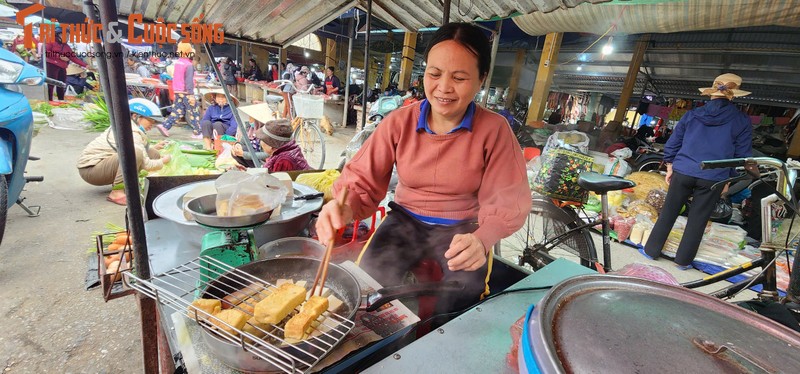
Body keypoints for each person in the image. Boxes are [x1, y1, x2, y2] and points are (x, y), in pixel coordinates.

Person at [314, 23, 531, 317]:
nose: (443, 87)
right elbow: (360, 180)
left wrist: (483, 238)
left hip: (462, 229)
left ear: (481, 79)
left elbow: (507, 197)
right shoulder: (398, 122)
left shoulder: (495, 130)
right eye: (434, 73)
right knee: (364, 288)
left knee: (464, 301)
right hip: (404, 220)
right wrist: (343, 208)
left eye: (459, 77)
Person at [642, 73, 753, 269]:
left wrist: (669, 166)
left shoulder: (692, 114)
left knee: (668, 212)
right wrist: (728, 179)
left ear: (711, 93)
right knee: (698, 220)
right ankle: (682, 262)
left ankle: (651, 251)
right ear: (733, 96)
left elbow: (674, 142)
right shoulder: (742, 120)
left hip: (684, 170)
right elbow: (741, 155)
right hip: (713, 176)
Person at [77, 99, 171, 205]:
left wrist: (154, 148)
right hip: (91, 171)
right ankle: (116, 192)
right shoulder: (131, 131)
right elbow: (147, 164)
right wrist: (164, 161)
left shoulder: (127, 126)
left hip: (102, 166)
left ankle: (138, 184)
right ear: (135, 116)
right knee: (134, 153)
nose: (152, 124)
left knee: (152, 152)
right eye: (151, 120)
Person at [159, 42, 201, 138]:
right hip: (186, 91)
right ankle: (197, 132)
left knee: (179, 111)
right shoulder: (188, 65)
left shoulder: (178, 63)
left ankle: (164, 126)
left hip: (177, 91)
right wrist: (191, 94)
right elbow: (188, 81)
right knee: (194, 111)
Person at [43, 26, 88, 101]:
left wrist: (86, 65)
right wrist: (59, 56)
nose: (67, 37)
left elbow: (74, 58)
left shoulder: (66, 46)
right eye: (66, 35)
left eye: (68, 35)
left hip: (62, 67)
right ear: (58, 35)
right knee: (51, 84)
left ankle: (61, 100)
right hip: (51, 66)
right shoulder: (50, 42)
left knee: (62, 84)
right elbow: (46, 52)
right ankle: (49, 101)